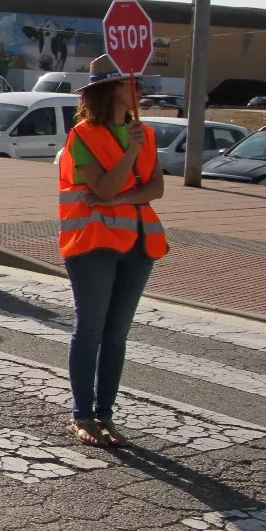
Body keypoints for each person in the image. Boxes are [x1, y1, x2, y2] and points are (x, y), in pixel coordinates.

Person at [59, 56, 165, 448]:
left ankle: (106, 415)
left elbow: (156, 190)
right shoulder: (82, 136)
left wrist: (121, 197)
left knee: (117, 334)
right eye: (129, 82)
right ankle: (82, 415)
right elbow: (101, 190)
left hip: (138, 244)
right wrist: (129, 158)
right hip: (91, 245)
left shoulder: (146, 134)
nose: (138, 88)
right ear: (109, 90)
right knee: (90, 330)